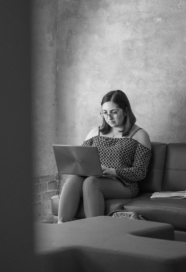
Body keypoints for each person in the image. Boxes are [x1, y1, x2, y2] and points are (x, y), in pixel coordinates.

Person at [58, 90, 151, 223]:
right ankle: (62, 225)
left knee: (91, 182)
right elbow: (80, 160)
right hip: (95, 176)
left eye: (114, 112)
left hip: (124, 184)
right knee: (74, 179)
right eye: (105, 112)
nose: (109, 117)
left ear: (125, 110)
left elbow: (140, 172)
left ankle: (96, 231)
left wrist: (114, 171)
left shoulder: (140, 135)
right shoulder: (95, 132)